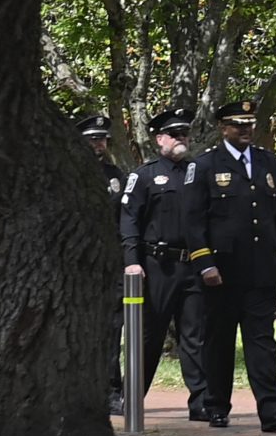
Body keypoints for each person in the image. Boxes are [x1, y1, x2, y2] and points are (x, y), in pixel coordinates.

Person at [185, 98, 276, 432]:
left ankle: (272, 409)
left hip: (261, 269)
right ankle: (217, 404)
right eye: (238, 125)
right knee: (219, 341)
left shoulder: (268, 162)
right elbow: (193, 221)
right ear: (223, 128)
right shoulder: (205, 165)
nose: (245, 130)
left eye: (249, 124)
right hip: (221, 272)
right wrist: (204, 263)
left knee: (262, 340)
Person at [120, 107, 212, 418]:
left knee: (195, 335)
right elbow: (130, 220)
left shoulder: (198, 173)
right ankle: (131, 396)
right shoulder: (143, 175)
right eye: (174, 134)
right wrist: (132, 261)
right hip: (156, 266)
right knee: (150, 335)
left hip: (191, 265)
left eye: (184, 133)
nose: (181, 138)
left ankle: (201, 401)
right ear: (160, 138)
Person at [79, 112, 126, 411]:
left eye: (103, 139)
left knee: (112, 330)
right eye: (93, 140)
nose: (100, 144)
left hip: (111, 265)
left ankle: (111, 390)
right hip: (78, 266)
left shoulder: (115, 177)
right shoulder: (64, 175)